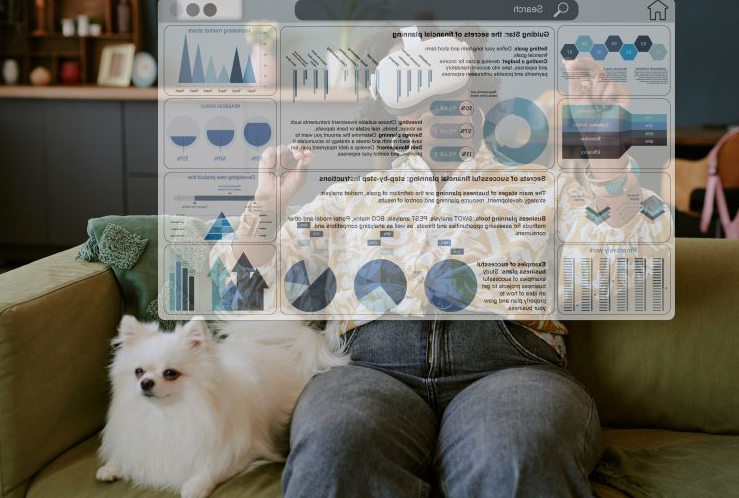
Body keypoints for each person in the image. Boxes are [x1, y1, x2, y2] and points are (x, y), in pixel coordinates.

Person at [213, 30, 608, 497]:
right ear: (397, 115)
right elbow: (241, 290)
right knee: (333, 452)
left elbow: (622, 271)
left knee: (517, 453)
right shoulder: (349, 198)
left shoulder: (547, 188)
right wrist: (266, 205)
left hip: (509, 371)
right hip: (366, 370)